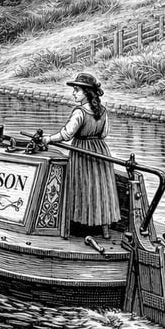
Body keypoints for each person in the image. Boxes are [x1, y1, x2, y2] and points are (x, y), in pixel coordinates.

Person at [43, 72, 120, 239]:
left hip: (82, 151)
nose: (73, 93)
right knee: (101, 188)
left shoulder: (79, 112)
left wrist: (48, 139)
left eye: (77, 90)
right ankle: (105, 230)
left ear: (86, 92)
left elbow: (66, 134)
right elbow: (105, 133)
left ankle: (80, 227)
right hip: (100, 151)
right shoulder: (103, 111)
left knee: (83, 186)